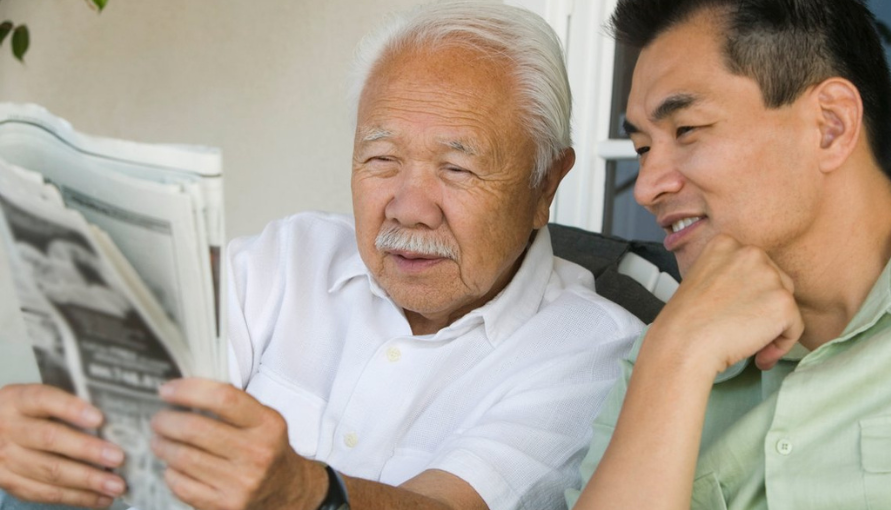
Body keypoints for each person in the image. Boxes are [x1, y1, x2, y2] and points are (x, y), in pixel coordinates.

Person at [0, 3, 644, 510]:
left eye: (457, 167)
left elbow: (446, 505)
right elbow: (138, 413)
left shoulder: (588, 347)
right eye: (381, 159)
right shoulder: (292, 254)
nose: (408, 207)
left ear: (546, 186)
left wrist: (305, 494)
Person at [567, 0, 891, 509]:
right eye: (642, 149)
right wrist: (679, 356)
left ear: (829, 126)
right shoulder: (666, 351)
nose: (647, 187)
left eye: (686, 130)